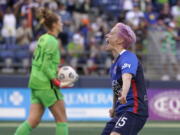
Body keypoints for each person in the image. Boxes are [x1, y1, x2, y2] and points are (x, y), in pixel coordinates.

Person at [14, 8, 74, 135]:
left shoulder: (43, 38)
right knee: (62, 119)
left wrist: (57, 70)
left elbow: (40, 61)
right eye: (60, 22)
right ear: (54, 25)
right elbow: (46, 65)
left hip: (35, 83)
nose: (62, 24)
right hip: (47, 85)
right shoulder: (52, 41)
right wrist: (57, 82)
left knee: (33, 121)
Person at [101, 23, 148, 135]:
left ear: (120, 40)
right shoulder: (114, 64)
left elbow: (127, 76)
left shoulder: (128, 56)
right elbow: (116, 89)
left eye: (111, 33)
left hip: (134, 111)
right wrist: (114, 108)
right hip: (121, 112)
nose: (107, 35)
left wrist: (124, 93)